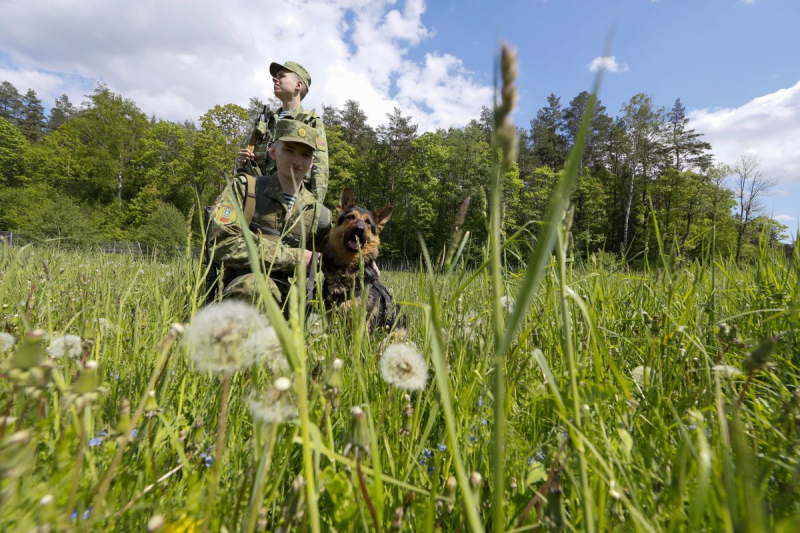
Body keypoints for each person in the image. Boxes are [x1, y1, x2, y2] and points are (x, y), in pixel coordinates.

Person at [208, 118, 331, 303]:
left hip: (295, 307)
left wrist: (366, 261)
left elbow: (334, 258)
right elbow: (222, 244)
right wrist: (293, 257)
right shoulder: (245, 189)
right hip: (244, 296)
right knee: (256, 285)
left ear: (312, 162)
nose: (297, 161)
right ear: (273, 152)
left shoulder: (319, 214)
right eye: (289, 150)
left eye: (305, 155)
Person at [239, 61, 329, 202]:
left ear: (298, 85)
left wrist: (313, 209)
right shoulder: (267, 121)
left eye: (282, 76)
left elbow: (320, 169)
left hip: (291, 200)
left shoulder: (310, 121)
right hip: (258, 197)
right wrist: (245, 161)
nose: (275, 79)